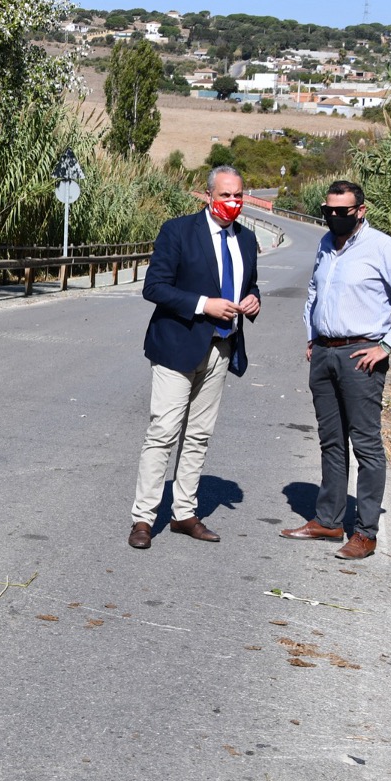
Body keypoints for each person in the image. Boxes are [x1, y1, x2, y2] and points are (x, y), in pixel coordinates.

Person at [283, 180, 391, 560]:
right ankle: (329, 520)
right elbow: (316, 294)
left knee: (366, 445)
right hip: (324, 353)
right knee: (331, 442)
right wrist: (311, 337)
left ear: (360, 211)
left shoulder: (381, 247)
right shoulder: (324, 245)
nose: (334, 217)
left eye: (342, 212)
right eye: (328, 211)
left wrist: (386, 345)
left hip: (360, 355)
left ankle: (365, 532)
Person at [129, 165, 261, 549]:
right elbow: (154, 287)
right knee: (163, 432)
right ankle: (143, 518)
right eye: (225, 196)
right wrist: (205, 305)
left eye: (238, 195)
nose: (233, 202)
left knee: (199, 435)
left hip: (221, 348)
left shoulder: (248, 241)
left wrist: (254, 301)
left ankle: (184, 513)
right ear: (208, 196)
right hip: (177, 346)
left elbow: (248, 284)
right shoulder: (179, 231)